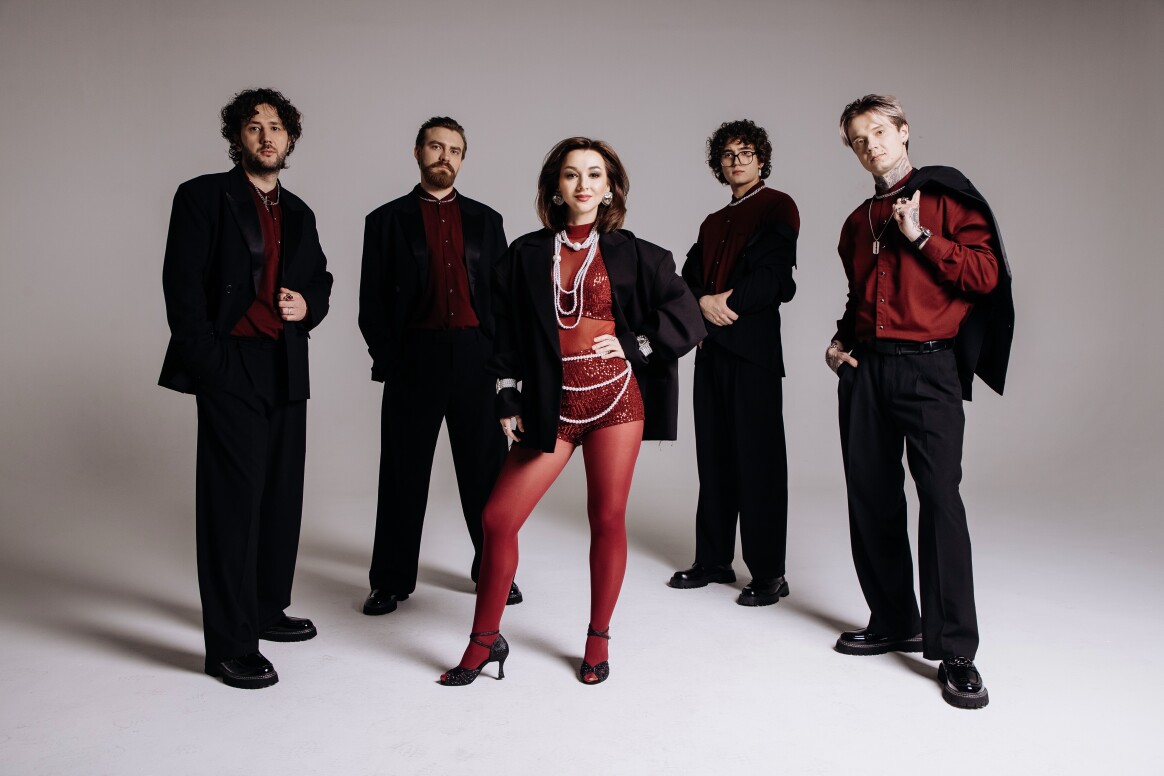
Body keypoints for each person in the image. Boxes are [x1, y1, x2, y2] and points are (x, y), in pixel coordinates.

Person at [438, 137, 704, 686]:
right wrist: (506, 391)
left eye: (594, 174)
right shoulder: (526, 254)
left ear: (610, 188)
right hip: (551, 401)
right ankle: (484, 641)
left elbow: (687, 314)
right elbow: (505, 330)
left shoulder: (638, 253)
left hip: (615, 399)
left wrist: (636, 346)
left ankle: (597, 638)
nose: (583, 184)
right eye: (571, 174)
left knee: (606, 518)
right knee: (498, 518)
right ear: (555, 188)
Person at [826, 94, 1013, 709]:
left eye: (879, 132)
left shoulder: (947, 197)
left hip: (930, 369)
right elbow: (862, 295)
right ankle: (893, 619)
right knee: (871, 497)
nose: (871, 145)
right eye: (858, 139)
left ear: (904, 131)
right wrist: (840, 340)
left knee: (939, 501)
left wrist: (922, 237)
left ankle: (956, 650)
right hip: (867, 371)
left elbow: (986, 276)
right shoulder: (856, 222)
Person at [159, 88, 333, 689]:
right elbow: (182, 290)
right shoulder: (202, 196)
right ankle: (229, 646)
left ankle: (265, 609)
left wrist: (308, 306)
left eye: (276, 127)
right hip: (230, 363)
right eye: (254, 126)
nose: (266, 136)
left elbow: (320, 280)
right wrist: (212, 365)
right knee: (231, 506)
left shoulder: (300, 212)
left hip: (286, 365)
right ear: (238, 137)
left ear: (290, 139)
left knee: (280, 497)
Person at [358, 117, 520, 616]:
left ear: (462, 159)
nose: (444, 156)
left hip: (476, 359)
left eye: (454, 150)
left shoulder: (487, 220)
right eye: (435, 146)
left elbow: (504, 300)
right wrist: (392, 360)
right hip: (414, 358)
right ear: (418, 152)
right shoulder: (385, 220)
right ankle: (389, 580)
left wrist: (502, 364)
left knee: (486, 473)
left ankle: (493, 570)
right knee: (402, 473)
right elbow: (371, 303)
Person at [670, 119, 799, 606]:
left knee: (759, 462)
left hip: (752, 354)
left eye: (746, 153)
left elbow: (774, 279)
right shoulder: (711, 222)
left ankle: (769, 573)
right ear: (718, 165)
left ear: (761, 159)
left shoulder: (777, 206)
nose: (737, 161)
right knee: (714, 459)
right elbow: (684, 279)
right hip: (711, 353)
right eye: (728, 155)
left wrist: (719, 303)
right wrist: (702, 302)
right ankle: (713, 560)